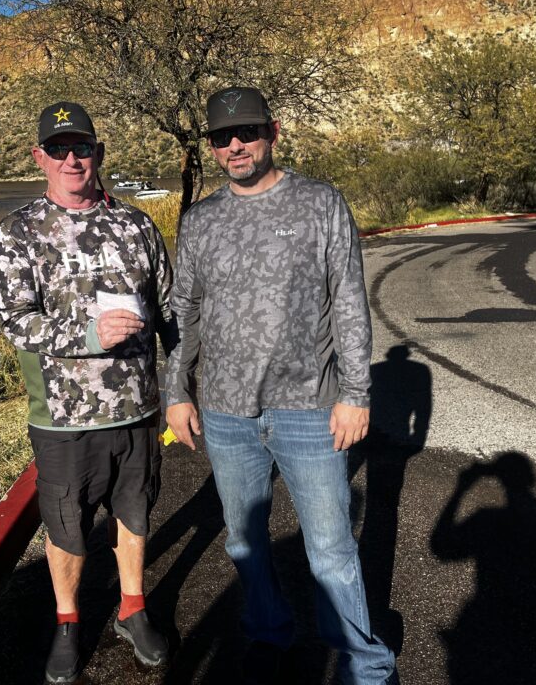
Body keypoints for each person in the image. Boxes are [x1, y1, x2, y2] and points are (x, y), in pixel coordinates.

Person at [164, 87, 399, 684]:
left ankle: (365, 665)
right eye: (222, 137)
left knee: (331, 549)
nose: (235, 145)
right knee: (244, 544)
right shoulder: (199, 221)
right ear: (212, 147)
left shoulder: (320, 202)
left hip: (310, 409)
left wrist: (356, 394)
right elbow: (185, 311)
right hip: (226, 413)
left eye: (246, 132)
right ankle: (269, 633)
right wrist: (176, 392)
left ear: (272, 132)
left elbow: (349, 303)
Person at [0, 102, 176, 684]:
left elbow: (169, 310)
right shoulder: (18, 231)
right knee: (66, 523)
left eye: (82, 147)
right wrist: (88, 335)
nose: (72, 159)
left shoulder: (137, 226)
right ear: (39, 157)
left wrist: (182, 386)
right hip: (63, 416)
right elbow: (14, 320)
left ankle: (132, 608)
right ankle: (68, 621)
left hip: (137, 408)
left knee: (135, 510)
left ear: (99, 153)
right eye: (59, 149)